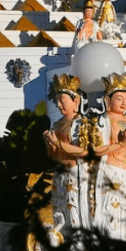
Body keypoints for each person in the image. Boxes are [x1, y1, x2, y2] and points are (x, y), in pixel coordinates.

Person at [86, 73, 126, 243]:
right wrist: (120, 144)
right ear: (107, 101)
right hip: (110, 173)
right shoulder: (102, 122)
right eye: (119, 98)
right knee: (111, 212)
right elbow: (97, 150)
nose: (123, 103)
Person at [42, 74, 89, 241]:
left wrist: (59, 144)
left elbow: (83, 151)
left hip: (75, 175)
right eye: (57, 101)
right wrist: (51, 145)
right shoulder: (57, 124)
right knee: (59, 213)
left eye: (63, 100)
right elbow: (54, 156)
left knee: (74, 212)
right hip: (60, 174)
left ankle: (78, 245)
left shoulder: (81, 124)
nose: (59, 104)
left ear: (75, 101)